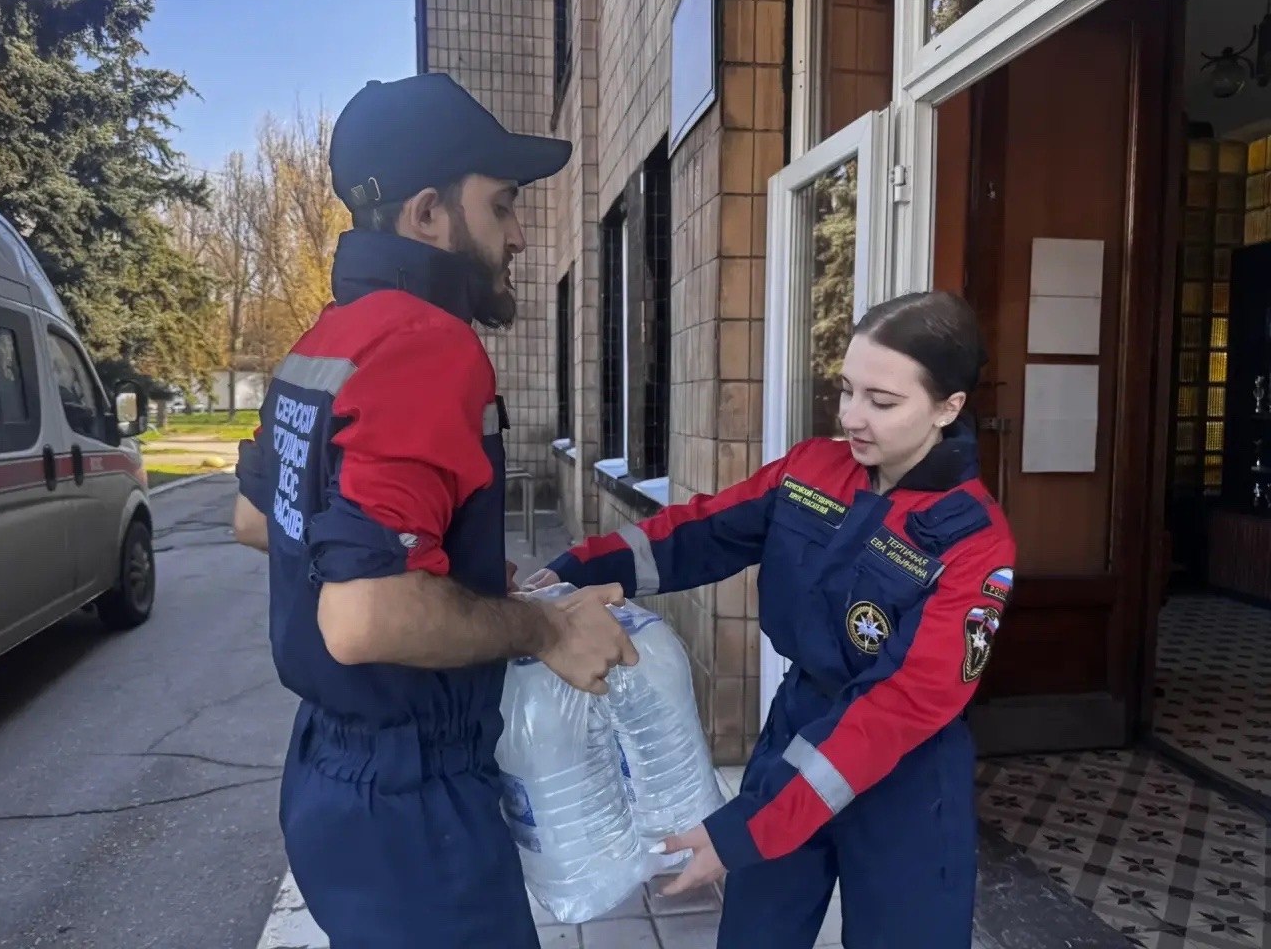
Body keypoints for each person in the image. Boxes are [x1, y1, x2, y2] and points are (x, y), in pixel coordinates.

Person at [230, 73, 638, 949]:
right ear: (427, 215)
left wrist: (451, 573)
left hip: (332, 781)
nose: (522, 235)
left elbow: (261, 520)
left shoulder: (325, 338)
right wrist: (543, 630)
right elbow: (364, 617)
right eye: (503, 207)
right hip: (413, 807)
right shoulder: (427, 345)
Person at [525, 291, 1017, 948]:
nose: (852, 417)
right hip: (799, 726)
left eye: (882, 401)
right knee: (757, 931)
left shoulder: (974, 541)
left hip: (907, 772)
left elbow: (904, 703)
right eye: (847, 390)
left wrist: (745, 829)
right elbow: (700, 532)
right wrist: (569, 572)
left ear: (948, 407)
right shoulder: (814, 470)